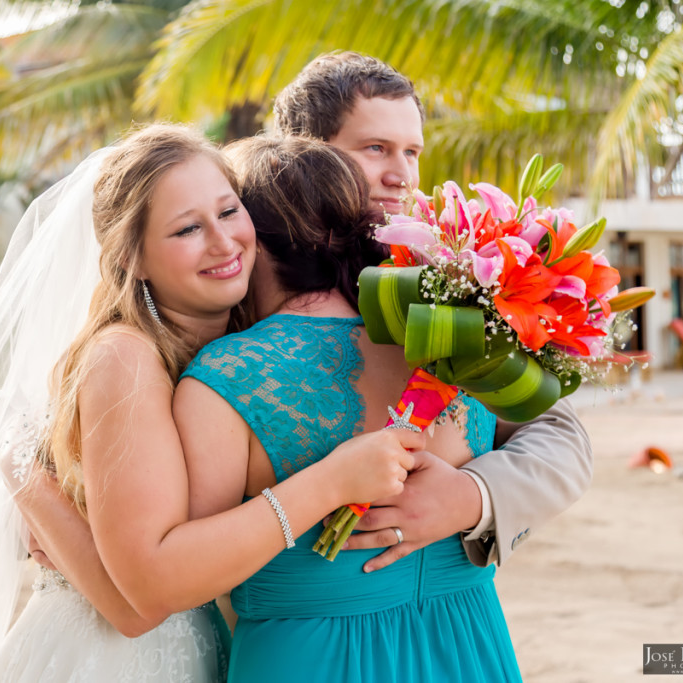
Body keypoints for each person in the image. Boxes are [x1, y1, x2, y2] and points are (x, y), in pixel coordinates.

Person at [0, 124, 421, 683]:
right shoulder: (125, 357)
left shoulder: (231, 351)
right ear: (132, 257)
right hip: (111, 659)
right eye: (187, 230)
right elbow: (138, 607)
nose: (224, 243)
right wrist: (21, 472)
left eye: (228, 212)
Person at [178, 134, 521, 680]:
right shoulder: (451, 348)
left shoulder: (228, 377)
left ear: (254, 241)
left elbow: (186, 574)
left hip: (308, 657)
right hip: (468, 645)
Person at [272, 51, 593, 571]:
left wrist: (472, 496)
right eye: (376, 149)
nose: (402, 175)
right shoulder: (245, 267)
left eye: (412, 152)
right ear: (308, 155)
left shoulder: (455, 273)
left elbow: (560, 435)